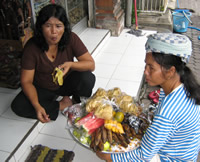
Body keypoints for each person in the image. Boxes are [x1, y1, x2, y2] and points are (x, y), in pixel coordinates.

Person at [96, 33, 200, 161]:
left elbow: (143, 155)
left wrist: (109, 157)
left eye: (151, 68)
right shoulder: (184, 87)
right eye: (146, 65)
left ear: (170, 71)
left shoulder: (169, 111)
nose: (145, 72)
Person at [11, 4, 95, 123]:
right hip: (43, 88)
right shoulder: (32, 47)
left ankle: (76, 104)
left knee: (87, 78)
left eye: (58, 26)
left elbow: (91, 64)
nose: (54, 32)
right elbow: (26, 81)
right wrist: (36, 105)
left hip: (66, 83)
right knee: (18, 105)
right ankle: (61, 105)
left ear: (64, 27)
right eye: (48, 26)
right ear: (40, 27)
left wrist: (71, 64)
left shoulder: (71, 38)